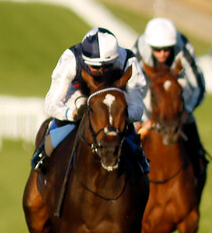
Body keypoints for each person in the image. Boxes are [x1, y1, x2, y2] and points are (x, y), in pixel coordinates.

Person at [31, 27, 149, 173]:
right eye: (95, 67)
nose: (101, 72)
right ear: (85, 60)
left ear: (115, 59)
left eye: (107, 67)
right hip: (78, 98)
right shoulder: (71, 59)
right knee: (71, 114)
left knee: (127, 128)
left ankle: (139, 155)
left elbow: (137, 107)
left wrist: (118, 115)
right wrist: (71, 114)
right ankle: (44, 152)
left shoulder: (128, 61)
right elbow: (51, 103)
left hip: (112, 105)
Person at [133, 17, 207, 177]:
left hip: (176, 91)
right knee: (129, 140)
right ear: (149, 46)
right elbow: (130, 88)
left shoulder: (184, 48)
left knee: (196, 149)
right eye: (157, 50)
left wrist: (186, 111)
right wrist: (141, 119)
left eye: (167, 49)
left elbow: (198, 86)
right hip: (148, 89)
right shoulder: (139, 50)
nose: (162, 54)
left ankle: (198, 171)